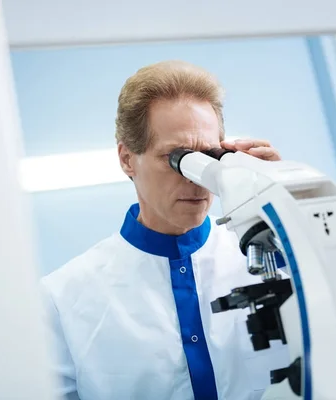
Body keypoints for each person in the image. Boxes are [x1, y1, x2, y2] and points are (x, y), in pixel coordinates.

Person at [40, 60, 289, 400]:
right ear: (128, 159)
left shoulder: (276, 258)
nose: (196, 178)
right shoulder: (62, 298)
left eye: (208, 156)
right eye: (177, 158)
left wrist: (284, 206)